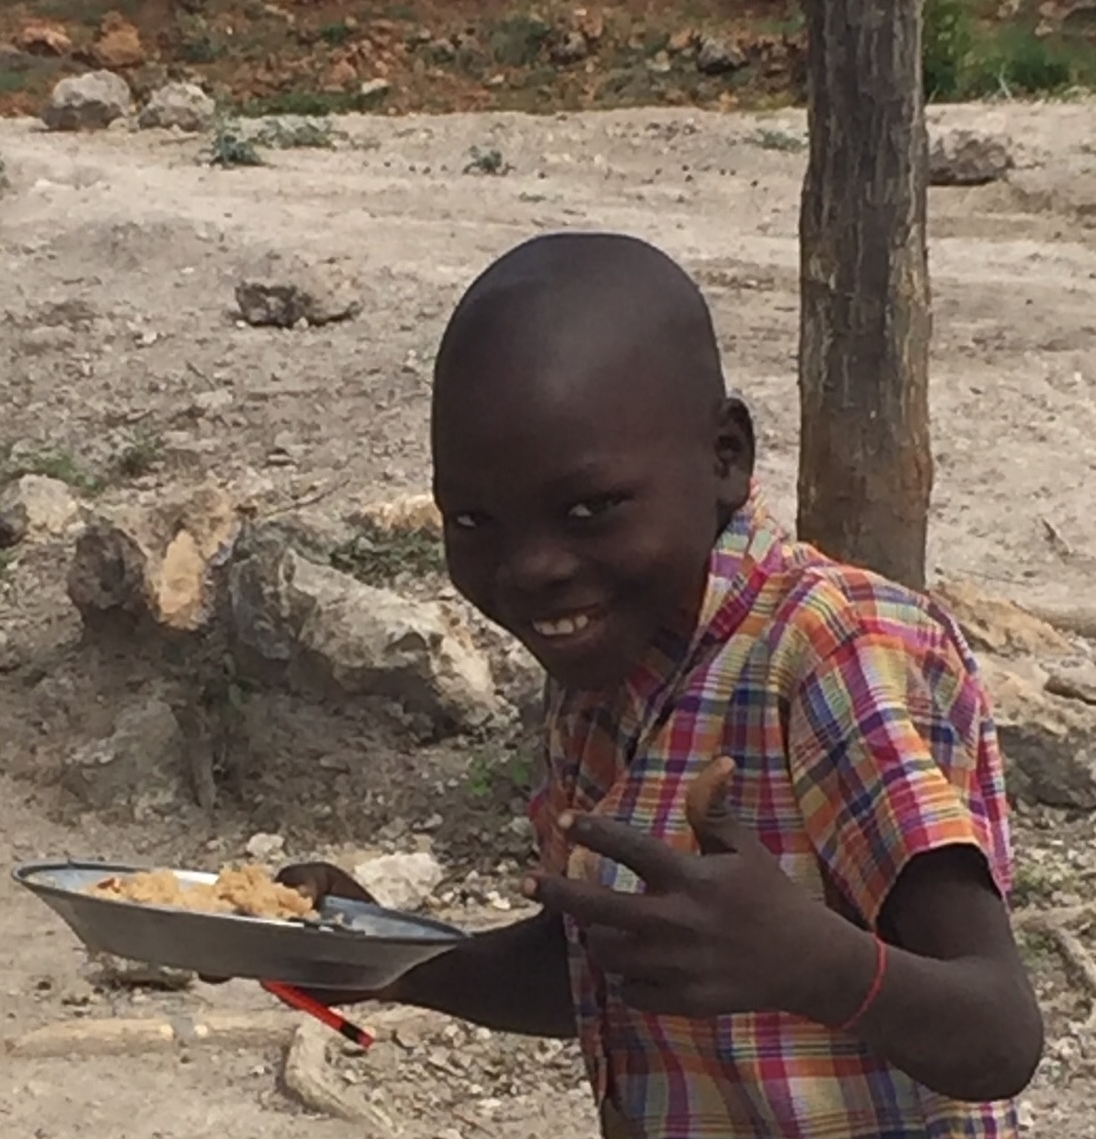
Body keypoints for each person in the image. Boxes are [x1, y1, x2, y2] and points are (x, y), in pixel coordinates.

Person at [271, 232, 1043, 1139]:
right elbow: (601, 968)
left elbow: (999, 1029)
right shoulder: (605, 674)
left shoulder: (829, 654)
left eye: (588, 508)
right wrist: (377, 953)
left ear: (723, 456)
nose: (530, 568)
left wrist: (814, 963)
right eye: (474, 518)